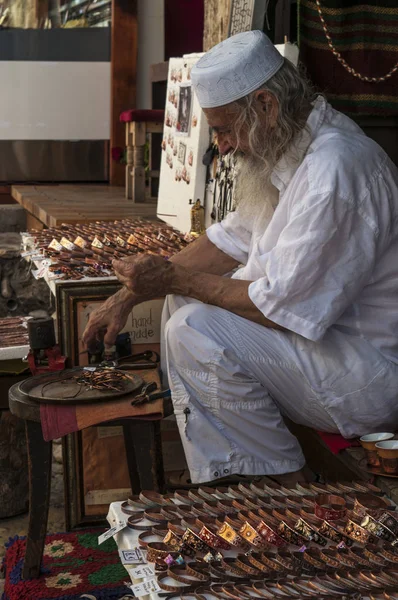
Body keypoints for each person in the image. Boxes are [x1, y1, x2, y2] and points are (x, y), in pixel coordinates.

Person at [83, 30, 398, 487]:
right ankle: (248, 474)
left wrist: (173, 278)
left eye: (226, 129)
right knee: (183, 308)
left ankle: (284, 489)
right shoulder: (291, 148)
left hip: (366, 375)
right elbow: (226, 242)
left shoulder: (336, 168)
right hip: (327, 354)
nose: (224, 147)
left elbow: (282, 309)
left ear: (267, 106)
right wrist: (125, 297)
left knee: (194, 327)